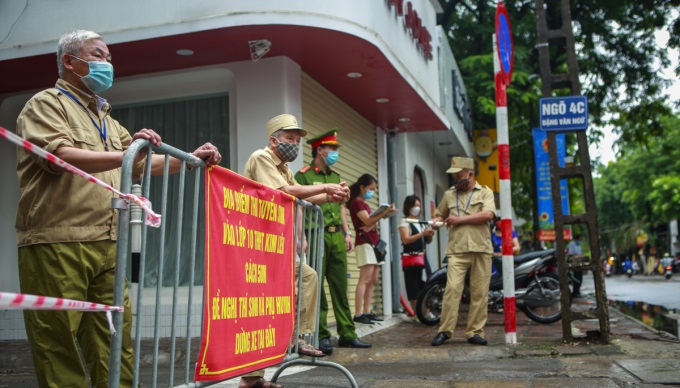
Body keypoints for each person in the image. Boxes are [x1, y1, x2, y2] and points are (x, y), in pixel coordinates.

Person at [15, 30, 222, 387]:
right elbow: (59, 157)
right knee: (58, 342)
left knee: (114, 341)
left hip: (110, 241)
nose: (107, 64)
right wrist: (129, 154)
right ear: (70, 61)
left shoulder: (109, 121)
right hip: (58, 239)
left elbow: (143, 165)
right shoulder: (46, 104)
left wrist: (189, 161)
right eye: (98, 55)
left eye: (109, 58)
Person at [241, 113, 350, 388]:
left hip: (273, 244)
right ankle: (252, 378)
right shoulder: (262, 157)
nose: (294, 144)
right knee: (259, 313)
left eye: (297, 140)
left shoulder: (284, 168)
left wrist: (331, 194)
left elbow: (297, 194)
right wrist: (325, 186)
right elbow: (284, 192)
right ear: (273, 140)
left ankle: (293, 339)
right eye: (289, 139)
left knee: (306, 276)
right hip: (255, 243)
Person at [294, 129, 371, 354]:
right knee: (317, 286)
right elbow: (297, 205)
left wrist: (347, 234)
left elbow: (341, 208)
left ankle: (348, 333)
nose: (336, 152)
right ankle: (322, 335)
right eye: (333, 148)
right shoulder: (303, 175)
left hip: (336, 234)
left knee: (340, 286)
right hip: (316, 233)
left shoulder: (337, 177)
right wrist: (301, 236)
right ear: (320, 150)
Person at [430, 157, 495, 347]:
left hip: (481, 249)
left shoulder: (485, 192)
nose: (456, 180)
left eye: (459, 176)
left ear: (470, 174)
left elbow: (488, 214)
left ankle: (474, 332)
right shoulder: (450, 195)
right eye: (454, 177)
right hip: (457, 250)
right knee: (452, 290)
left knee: (479, 293)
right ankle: (445, 331)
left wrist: (459, 220)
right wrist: (437, 222)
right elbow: (440, 213)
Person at [347, 174, 396, 325]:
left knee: (373, 280)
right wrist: (384, 213)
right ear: (362, 188)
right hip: (364, 242)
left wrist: (375, 220)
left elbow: (371, 223)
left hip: (374, 243)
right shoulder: (356, 203)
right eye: (370, 189)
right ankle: (358, 313)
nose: (372, 192)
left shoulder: (366, 205)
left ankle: (367, 311)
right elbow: (367, 221)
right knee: (365, 279)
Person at [398, 195, 435, 313]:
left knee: (426, 284)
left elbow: (427, 241)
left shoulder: (421, 222)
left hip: (423, 257)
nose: (417, 208)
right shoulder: (404, 221)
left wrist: (429, 234)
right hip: (411, 258)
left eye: (419, 206)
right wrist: (422, 234)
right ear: (408, 206)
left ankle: (425, 311)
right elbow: (406, 239)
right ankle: (416, 313)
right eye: (415, 205)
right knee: (412, 286)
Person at [566, 234, 584, 298]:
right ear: (577, 238)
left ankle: (578, 292)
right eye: (581, 239)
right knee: (576, 278)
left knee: (580, 278)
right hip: (574, 263)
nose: (581, 240)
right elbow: (571, 254)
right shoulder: (571, 244)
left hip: (579, 263)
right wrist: (578, 256)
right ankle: (575, 293)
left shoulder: (578, 245)